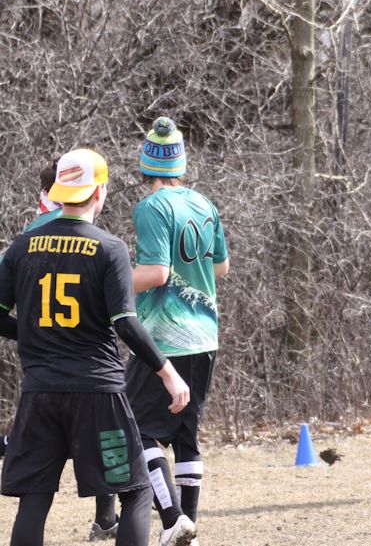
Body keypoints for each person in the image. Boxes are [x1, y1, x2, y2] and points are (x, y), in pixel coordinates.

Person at [0, 148, 191, 546]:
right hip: (97, 395)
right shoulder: (109, 248)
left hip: (40, 393)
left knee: (34, 499)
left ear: (58, 190)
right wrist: (168, 372)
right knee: (136, 490)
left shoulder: (22, 246)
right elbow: (125, 322)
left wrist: (36, 335)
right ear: (100, 191)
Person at [124, 118, 229, 546]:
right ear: (181, 164)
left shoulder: (151, 207)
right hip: (205, 333)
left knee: (137, 429)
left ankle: (172, 520)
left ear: (146, 164)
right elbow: (222, 267)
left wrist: (110, 283)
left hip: (165, 335)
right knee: (187, 435)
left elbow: (156, 272)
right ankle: (189, 529)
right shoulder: (204, 204)